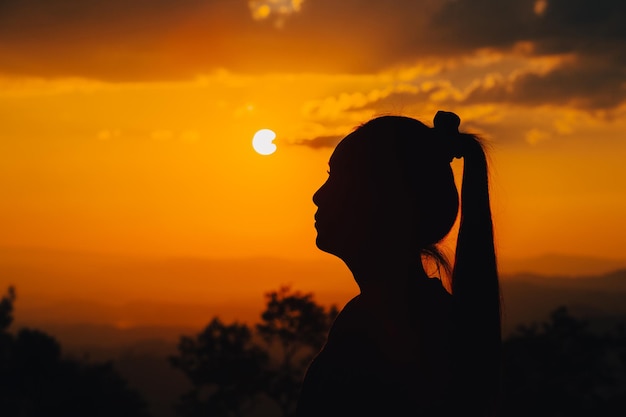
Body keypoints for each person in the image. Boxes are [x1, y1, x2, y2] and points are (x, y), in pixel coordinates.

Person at [295, 111, 502, 417]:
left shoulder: (387, 330)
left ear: (382, 201)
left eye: (338, 179)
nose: (318, 196)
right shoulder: (412, 315)